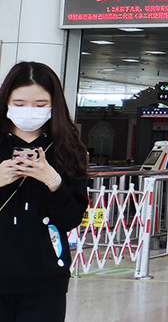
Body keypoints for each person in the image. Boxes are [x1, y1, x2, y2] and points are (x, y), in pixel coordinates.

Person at [0, 62, 89, 322]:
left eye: (40, 105)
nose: (29, 111)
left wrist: (53, 181)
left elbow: (72, 218)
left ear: (53, 105)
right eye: (19, 103)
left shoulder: (68, 149)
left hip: (45, 280)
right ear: (6, 102)